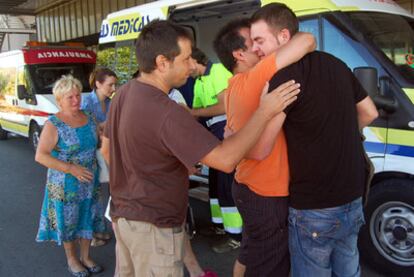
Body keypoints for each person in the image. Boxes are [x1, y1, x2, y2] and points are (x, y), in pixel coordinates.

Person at [100, 19, 299, 277]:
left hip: (125, 219)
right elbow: (226, 160)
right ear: (162, 63)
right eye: (185, 59)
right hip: (154, 229)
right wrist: (264, 111)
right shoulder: (167, 111)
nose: (192, 65)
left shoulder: (125, 93)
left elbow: (115, 151)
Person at [249, 3, 378, 276]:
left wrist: (262, 109)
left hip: (314, 207)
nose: (254, 49)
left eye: (259, 40)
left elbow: (260, 150)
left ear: (284, 37)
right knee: (348, 270)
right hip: (353, 197)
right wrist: (339, 133)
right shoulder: (337, 64)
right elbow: (369, 112)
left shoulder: (282, 78)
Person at [214, 18, 315, 277]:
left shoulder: (233, 86)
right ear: (239, 54)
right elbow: (307, 40)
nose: (259, 48)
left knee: (251, 253)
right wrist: (280, 37)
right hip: (266, 193)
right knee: (271, 265)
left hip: (247, 186)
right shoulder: (257, 75)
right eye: (254, 42)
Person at [35, 75, 105, 277]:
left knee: (88, 216)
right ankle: (72, 259)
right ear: (59, 100)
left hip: (89, 180)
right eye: (70, 98)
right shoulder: (53, 124)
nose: (76, 100)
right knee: (68, 221)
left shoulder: (89, 117)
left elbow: (98, 139)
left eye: (77, 96)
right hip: (65, 182)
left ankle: (85, 256)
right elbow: (40, 156)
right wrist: (70, 169)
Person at [190, 47, 243, 253]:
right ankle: (221, 226)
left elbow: (224, 106)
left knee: (227, 182)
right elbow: (194, 116)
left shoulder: (218, 71)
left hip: (226, 130)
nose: (186, 69)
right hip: (212, 132)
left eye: (187, 63)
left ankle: (236, 235)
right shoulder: (198, 82)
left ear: (195, 60)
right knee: (215, 183)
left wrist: (192, 112)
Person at [81, 67, 118, 247]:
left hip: (104, 150)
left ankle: (100, 228)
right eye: (110, 84)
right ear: (98, 84)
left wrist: (102, 127)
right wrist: (103, 127)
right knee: (91, 193)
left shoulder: (111, 103)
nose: (113, 88)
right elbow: (88, 129)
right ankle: (90, 234)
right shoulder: (86, 102)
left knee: (104, 191)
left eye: (114, 84)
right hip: (89, 153)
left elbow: (108, 128)